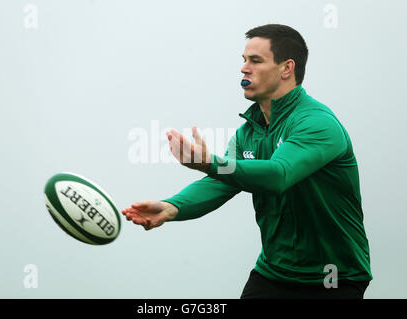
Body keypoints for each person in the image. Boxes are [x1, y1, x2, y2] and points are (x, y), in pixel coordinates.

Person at [122, 24, 372, 299]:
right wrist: (172, 207)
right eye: (243, 60)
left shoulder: (316, 123)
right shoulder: (248, 132)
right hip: (273, 273)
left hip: (333, 277)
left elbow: (279, 175)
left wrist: (210, 163)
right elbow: (223, 182)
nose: (244, 68)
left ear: (286, 68)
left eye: (255, 61)